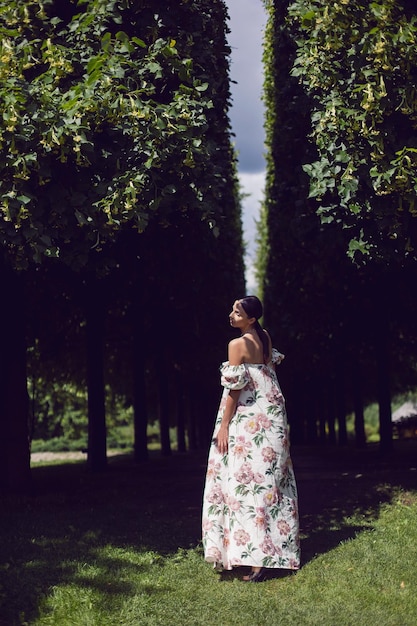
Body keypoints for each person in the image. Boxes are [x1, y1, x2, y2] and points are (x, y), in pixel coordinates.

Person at [201, 296, 300, 582]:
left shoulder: (237, 345)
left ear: (251, 318)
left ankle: (253, 558)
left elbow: (234, 390)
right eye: (232, 309)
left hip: (248, 418)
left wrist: (224, 426)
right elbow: (268, 374)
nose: (231, 315)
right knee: (271, 483)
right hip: (272, 413)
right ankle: (272, 552)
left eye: (237, 312)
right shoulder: (265, 338)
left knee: (244, 482)